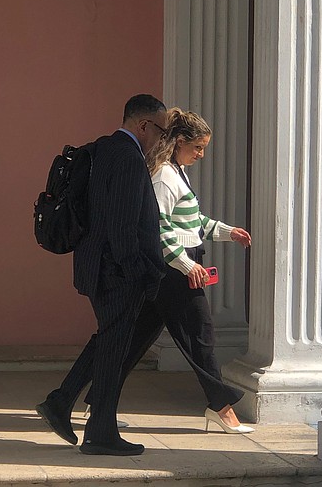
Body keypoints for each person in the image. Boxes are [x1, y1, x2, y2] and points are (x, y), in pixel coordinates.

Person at [35, 94, 168, 456]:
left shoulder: (102, 149)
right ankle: (98, 431)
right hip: (117, 270)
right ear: (144, 125)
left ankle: (64, 404)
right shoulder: (127, 158)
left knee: (109, 341)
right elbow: (123, 223)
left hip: (98, 264)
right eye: (161, 131)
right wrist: (137, 270)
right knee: (113, 347)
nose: (162, 140)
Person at [143, 107, 254, 433]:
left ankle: (84, 401)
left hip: (181, 263)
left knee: (134, 338)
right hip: (176, 268)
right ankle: (221, 407)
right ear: (179, 141)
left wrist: (227, 231)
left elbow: (193, 222)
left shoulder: (176, 172)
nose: (202, 154)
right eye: (198, 147)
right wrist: (187, 265)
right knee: (202, 336)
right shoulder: (164, 176)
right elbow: (159, 228)